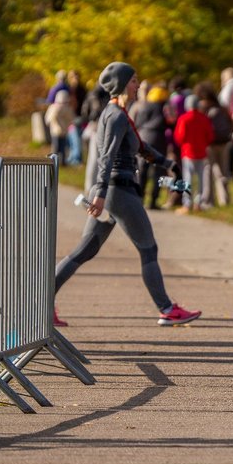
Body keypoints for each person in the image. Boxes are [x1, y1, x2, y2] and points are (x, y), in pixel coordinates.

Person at [54, 62, 201, 327]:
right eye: (133, 80)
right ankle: (167, 309)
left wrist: (166, 163)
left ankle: (40, 304)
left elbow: (139, 145)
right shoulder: (116, 115)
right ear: (122, 84)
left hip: (113, 191)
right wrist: (99, 193)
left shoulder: (120, 113)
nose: (138, 84)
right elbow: (106, 156)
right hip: (118, 191)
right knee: (149, 248)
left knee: (85, 250)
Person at [130, 82, 170, 210]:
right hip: (158, 140)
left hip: (144, 139)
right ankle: (153, 200)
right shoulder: (163, 107)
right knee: (158, 171)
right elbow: (171, 122)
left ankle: (139, 199)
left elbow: (134, 123)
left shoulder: (141, 106)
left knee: (142, 171)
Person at [173, 94, 215, 213]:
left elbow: (179, 137)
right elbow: (210, 136)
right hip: (201, 152)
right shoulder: (204, 118)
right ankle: (198, 202)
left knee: (188, 178)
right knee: (201, 179)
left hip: (188, 152)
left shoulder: (184, 118)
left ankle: (187, 203)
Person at [45, 90, 75, 163]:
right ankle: (53, 161)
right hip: (55, 132)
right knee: (55, 147)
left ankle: (62, 161)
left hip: (64, 132)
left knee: (63, 148)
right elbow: (48, 119)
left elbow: (71, 119)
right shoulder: (53, 108)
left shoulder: (68, 109)